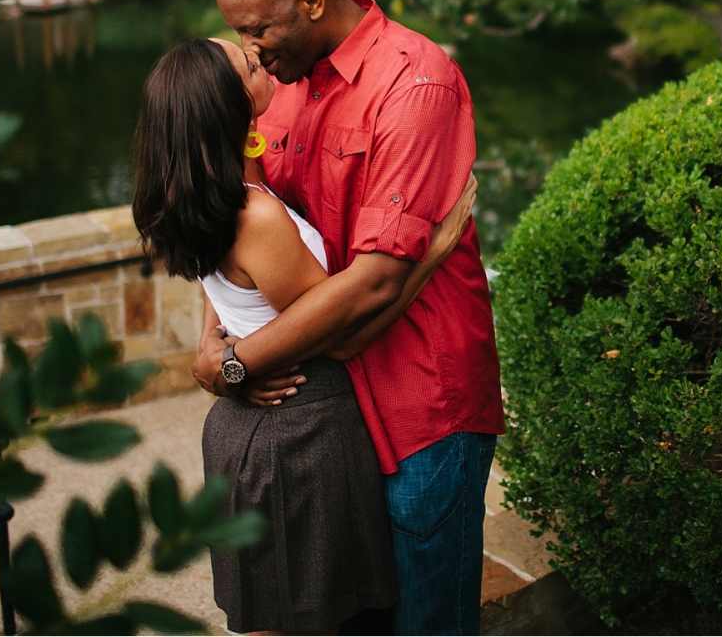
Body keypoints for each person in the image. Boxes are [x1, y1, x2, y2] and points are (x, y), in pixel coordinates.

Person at [192, 0, 506, 635]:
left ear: (308, 0)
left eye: (256, 29)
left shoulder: (415, 81)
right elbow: (227, 225)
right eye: (237, 35)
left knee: (427, 625)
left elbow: (371, 285)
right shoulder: (278, 93)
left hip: (419, 412)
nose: (250, 50)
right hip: (330, 421)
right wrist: (213, 347)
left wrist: (235, 365)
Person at [132, 36, 477, 635]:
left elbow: (227, 291)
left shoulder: (203, 196)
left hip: (253, 431)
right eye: (245, 63)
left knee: (281, 614)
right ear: (230, 107)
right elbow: (341, 337)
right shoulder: (256, 216)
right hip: (297, 434)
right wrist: (434, 251)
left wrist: (224, 355)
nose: (255, 53)